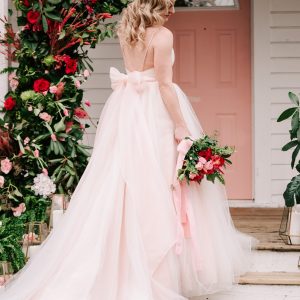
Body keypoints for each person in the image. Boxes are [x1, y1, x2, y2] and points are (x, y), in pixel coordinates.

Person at [0, 0, 254, 299]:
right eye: (168, 4)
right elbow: (164, 84)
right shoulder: (162, 35)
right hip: (153, 112)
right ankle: (150, 265)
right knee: (157, 182)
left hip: (126, 108)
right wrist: (180, 125)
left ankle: (122, 259)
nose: (172, 11)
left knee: (122, 178)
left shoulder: (127, 30)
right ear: (154, 4)